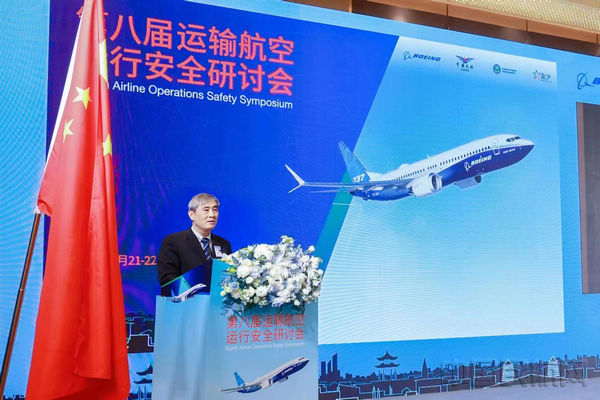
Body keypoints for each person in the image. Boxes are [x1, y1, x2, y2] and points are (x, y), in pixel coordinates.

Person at [157, 193, 231, 295]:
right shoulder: (173, 241)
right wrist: (193, 292)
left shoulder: (224, 244)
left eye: (215, 210)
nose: (212, 215)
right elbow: (167, 278)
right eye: (206, 210)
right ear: (191, 214)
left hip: (217, 302)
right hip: (185, 302)